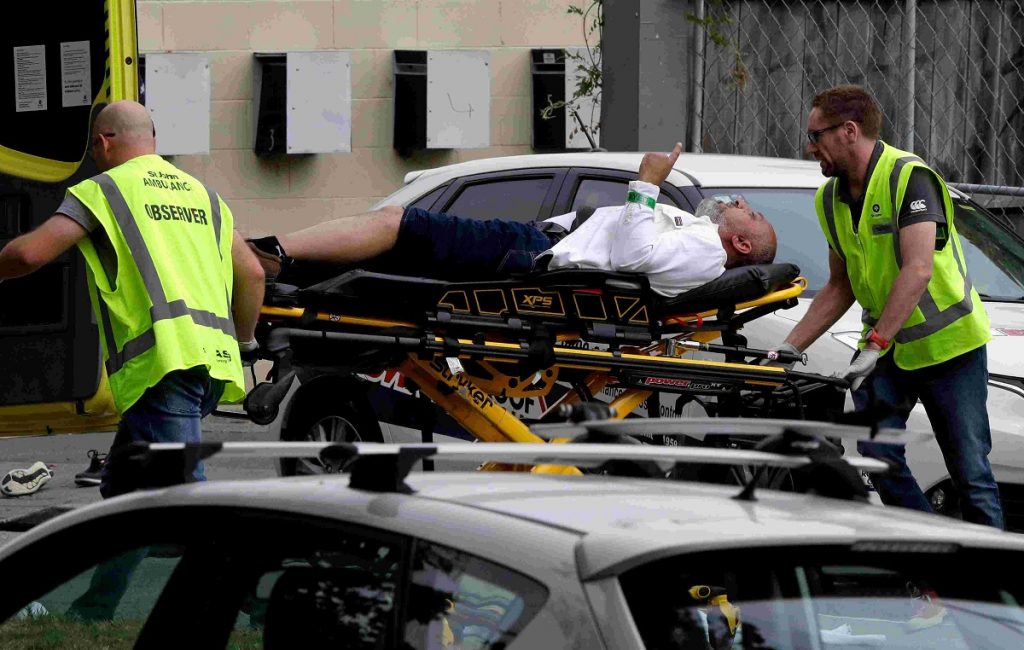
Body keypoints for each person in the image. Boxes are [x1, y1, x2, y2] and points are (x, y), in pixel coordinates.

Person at [0, 100, 266, 497]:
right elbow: (253, 274)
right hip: (212, 366)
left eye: (93, 148)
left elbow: (28, 255)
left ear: (103, 143)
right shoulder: (204, 195)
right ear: (152, 140)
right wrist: (245, 343)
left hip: (163, 368)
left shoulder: (104, 190)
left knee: (184, 499)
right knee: (121, 490)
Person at [772, 85, 1001, 528]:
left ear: (849, 131)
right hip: (888, 348)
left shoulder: (908, 178)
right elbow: (840, 286)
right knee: (876, 455)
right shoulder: (829, 199)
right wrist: (790, 346)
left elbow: (918, 270)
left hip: (949, 346)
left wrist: (875, 344)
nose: (810, 147)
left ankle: (994, 568)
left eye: (816, 135)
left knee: (970, 472)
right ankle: (929, 546)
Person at [249, 143, 777, 297]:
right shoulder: (701, 237)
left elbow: (635, 255)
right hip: (542, 242)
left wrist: (646, 182)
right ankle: (280, 268)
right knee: (392, 252)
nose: (737, 202)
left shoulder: (706, 250)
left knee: (396, 223)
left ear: (741, 245)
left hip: (537, 253)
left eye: (747, 212)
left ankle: (270, 253)